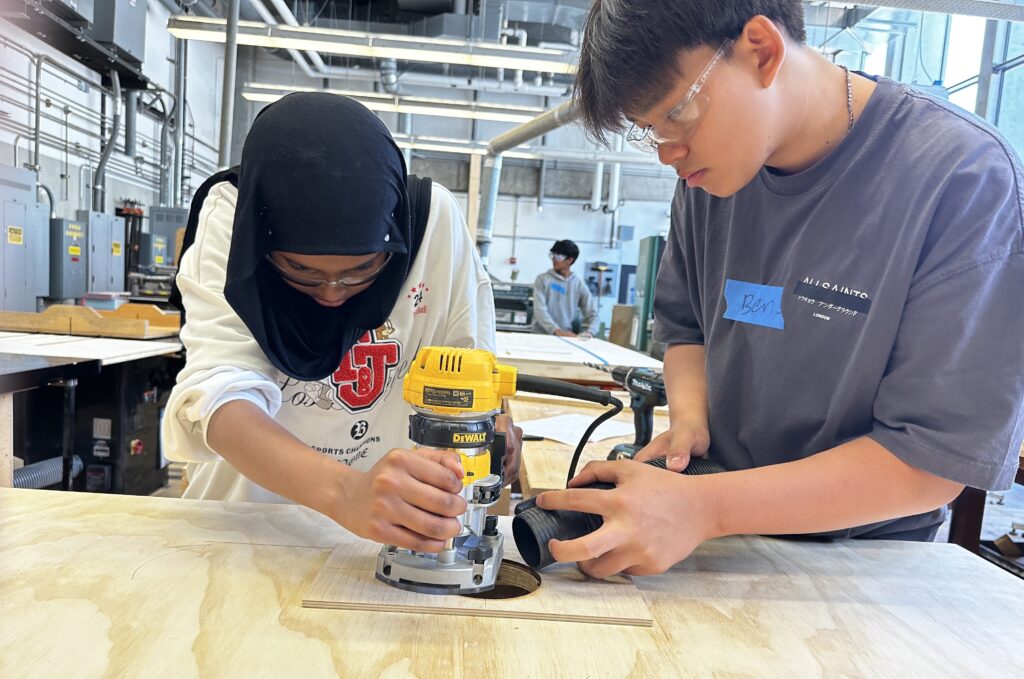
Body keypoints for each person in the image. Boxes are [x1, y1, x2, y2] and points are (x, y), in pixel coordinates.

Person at [534, 0, 1024, 579]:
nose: (668, 154)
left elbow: (930, 459)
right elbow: (686, 326)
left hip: (862, 563)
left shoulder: (961, 179)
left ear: (761, 50)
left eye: (679, 114)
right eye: (650, 133)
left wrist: (703, 508)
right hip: (705, 529)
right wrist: (690, 420)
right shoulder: (708, 177)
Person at [163, 93, 521, 554]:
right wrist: (347, 493)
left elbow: (468, 374)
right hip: (245, 530)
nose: (332, 292)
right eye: (301, 271)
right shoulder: (233, 220)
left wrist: (492, 433)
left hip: (380, 539)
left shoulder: (434, 224)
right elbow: (220, 399)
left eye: (362, 269)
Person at [532, 239, 599, 337]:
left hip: (565, 337)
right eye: (552, 255)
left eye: (558, 257)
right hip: (541, 335)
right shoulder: (542, 280)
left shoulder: (578, 284)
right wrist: (556, 330)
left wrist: (590, 332)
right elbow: (540, 309)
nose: (554, 260)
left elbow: (592, 313)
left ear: (570, 260)